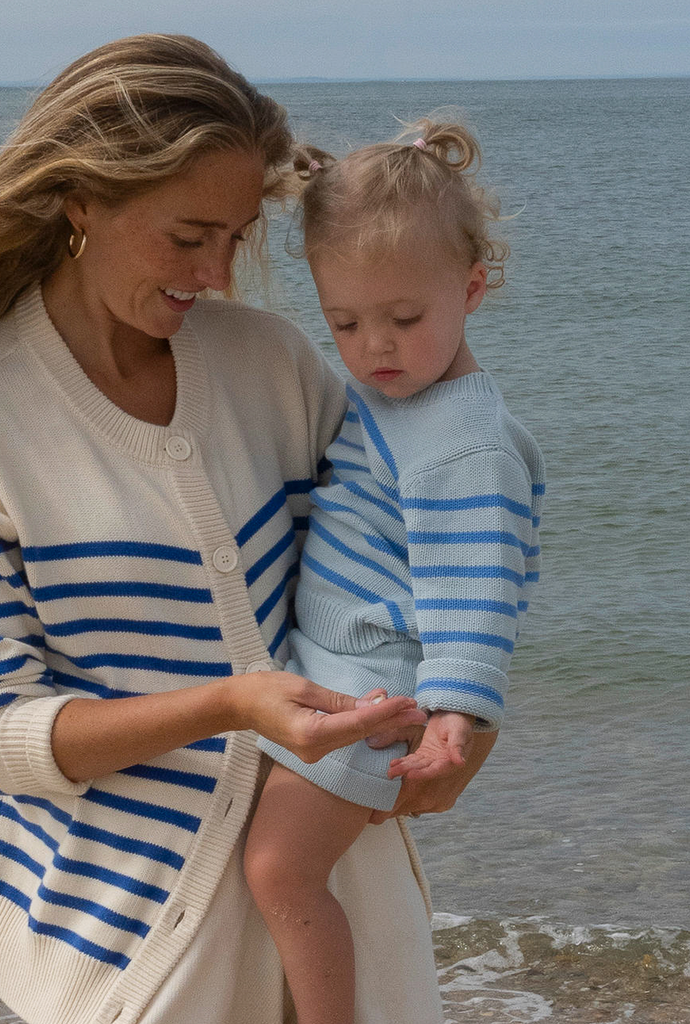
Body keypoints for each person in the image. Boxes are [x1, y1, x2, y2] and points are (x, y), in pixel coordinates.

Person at [0, 37, 495, 1024]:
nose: (217, 273)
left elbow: (413, 553)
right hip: (143, 951)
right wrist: (231, 703)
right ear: (81, 200)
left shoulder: (271, 364)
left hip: (345, 916)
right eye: (186, 236)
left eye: (238, 235)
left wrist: (461, 722)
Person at [243, 118, 546, 1024]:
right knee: (279, 868)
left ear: (472, 288)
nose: (375, 347)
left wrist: (457, 711)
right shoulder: (398, 398)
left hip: (370, 683)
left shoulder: (459, 445)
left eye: (405, 320)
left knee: (276, 868)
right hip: (335, 663)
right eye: (344, 321)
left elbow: (475, 584)